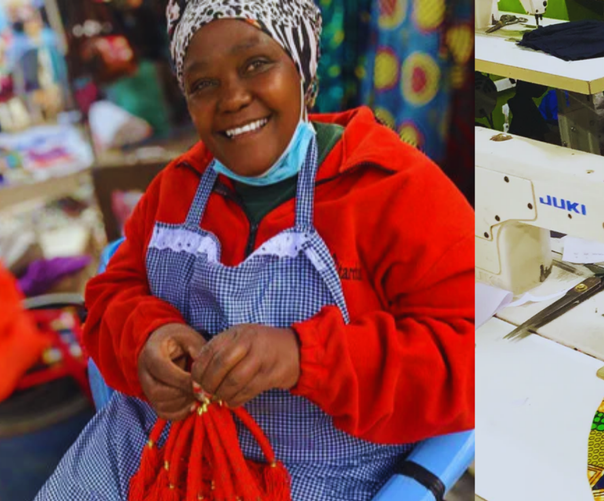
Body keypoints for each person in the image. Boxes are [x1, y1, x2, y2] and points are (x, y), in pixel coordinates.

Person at [37, 0, 474, 499]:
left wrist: (302, 357)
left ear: (303, 68)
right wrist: (146, 338)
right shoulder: (172, 191)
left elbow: (470, 358)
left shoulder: (395, 191)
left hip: (309, 472)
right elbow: (111, 292)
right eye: (203, 84)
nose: (232, 97)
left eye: (256, 64)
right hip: (150, 447)